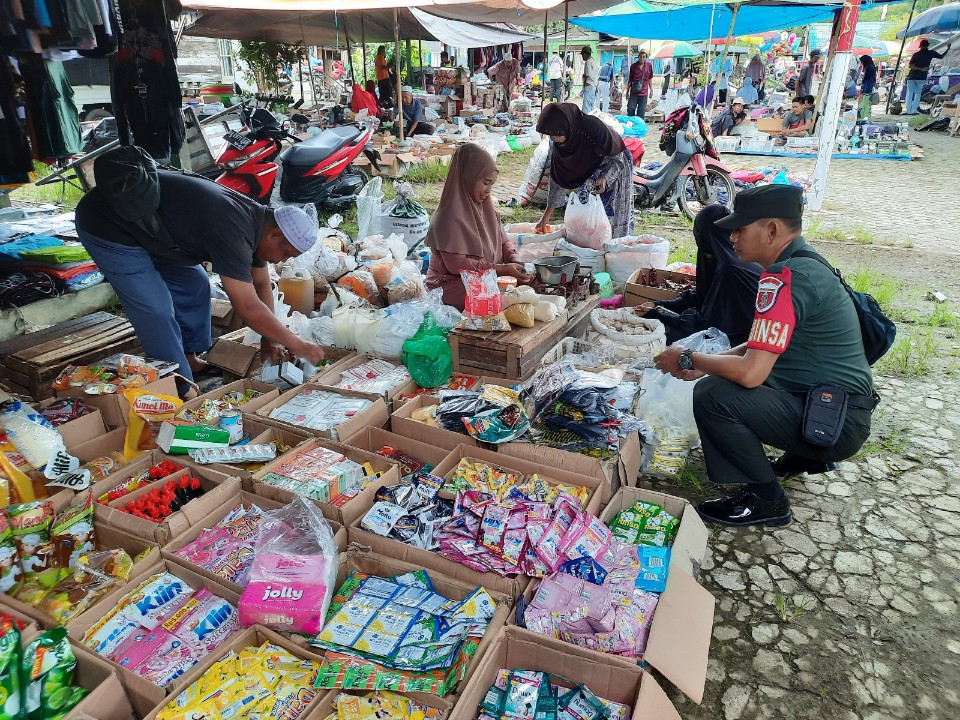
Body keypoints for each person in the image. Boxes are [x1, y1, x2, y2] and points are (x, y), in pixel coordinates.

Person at [652, 185, 876, 527]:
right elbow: (762, 343)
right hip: (836, 408)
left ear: (771, 229)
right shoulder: (805, 263)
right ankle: (802, 456)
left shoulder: (784, 279)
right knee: (720, 377)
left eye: (740, 228)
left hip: (834, 422)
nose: (732, 238)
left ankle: (766, 500)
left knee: (715, 396)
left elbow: (750, 373)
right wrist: (703, 362)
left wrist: (687, 359)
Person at [74, 170, 327, 393]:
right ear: (274, 235)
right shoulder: (232, 229)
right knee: (155, 309)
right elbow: (248, 307)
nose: (279, 261)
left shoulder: (258, 222)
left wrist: (270, 339)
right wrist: (297, 344)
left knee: (195, 282)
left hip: (153, 231)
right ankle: (178, 385)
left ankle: (188, 357)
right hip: (109, 225)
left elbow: (261, 283)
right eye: (286, 254)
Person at [425, 144, 532, 310]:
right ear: (468, 177)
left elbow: (503, 240)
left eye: (492, 184)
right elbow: (457, 265)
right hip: (451, 285)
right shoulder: (448, 217)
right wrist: (501, 269)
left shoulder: (486, 208)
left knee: (529, 281)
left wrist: (514, 258)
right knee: (498, 295)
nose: (489, 190)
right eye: (485, 183)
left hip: (486, 276)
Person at [642, 204, 762, 346]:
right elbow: (701, 297)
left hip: (739, 342)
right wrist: (658, 304)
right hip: (723, 327)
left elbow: (706, 325)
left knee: (667, 340)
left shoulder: (730, 271)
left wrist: (660, 314)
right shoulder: (725, 258)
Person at [534, 103, 635, 239]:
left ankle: (615, 251)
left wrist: (605, 177)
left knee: (613, 217)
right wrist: (545, 217)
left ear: (567, 127)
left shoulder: (592, 126)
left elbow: (617, 156)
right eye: (549, 135)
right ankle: (592, 251)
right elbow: (558, 177)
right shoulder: (557, 143)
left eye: (555, 135)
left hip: (615, 166)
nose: (552, 138)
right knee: (589, 217)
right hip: (589, 173)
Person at [906, 38, 945, 114]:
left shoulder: (916, 54)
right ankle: (913, 111)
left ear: (920, 46)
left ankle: (908, 110)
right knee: (918, 94)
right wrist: (948, 48)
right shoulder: (931, 53)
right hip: (921, 77)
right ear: (927, 46)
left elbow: (910, 66)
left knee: (910, 93)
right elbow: (941, 56)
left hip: (912, 76)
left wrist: (920, 69)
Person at [628, 51, 654, 118]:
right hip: (634, 92)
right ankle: (631, 125)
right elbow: (630, 79)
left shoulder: (649, 66)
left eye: (644, 57)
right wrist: (627, 91)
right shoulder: (633, 66)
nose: (642, 59)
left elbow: (650, 78)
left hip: (644, 92)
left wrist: (651, 90)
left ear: (646, 58)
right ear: (638, 57)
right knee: (630, 109)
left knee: (641, 112)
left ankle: (639, 126)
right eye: (641, 57)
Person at [858, 55, 877, 119]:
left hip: (867, 85)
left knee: (865, 98)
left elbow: (866, 77)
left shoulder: (869, 67)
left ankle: (863, 113)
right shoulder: (871, 66)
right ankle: (864, 112)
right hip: (869, 84)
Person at [581, 46, 599, 114]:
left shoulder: (588, 62)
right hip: (593, 86)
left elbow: (588, 75)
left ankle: (585, 123)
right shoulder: (593, 61)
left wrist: (584, 84)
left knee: (586, 108)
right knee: (591, 108)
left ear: (585, 54)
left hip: (589, 86)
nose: (582, 57)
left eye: (582, 55)